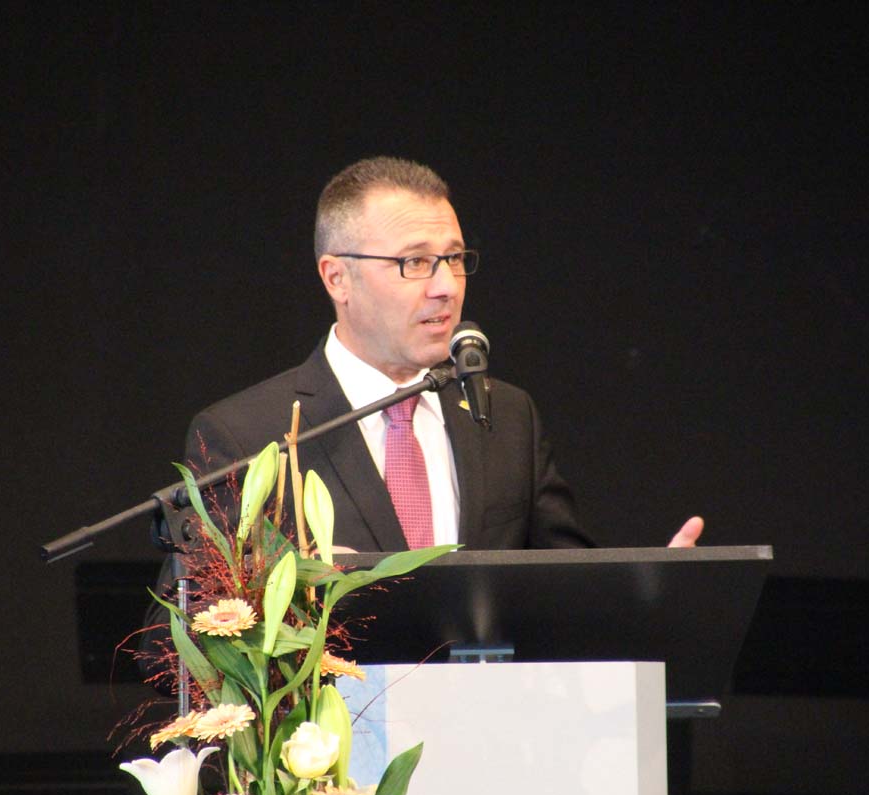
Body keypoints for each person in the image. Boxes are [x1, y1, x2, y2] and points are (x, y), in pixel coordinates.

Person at [176, 155, 703, 551]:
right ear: (337, 277)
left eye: (453, 258)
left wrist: (647, 595)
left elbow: (565, 590)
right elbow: (183, 628)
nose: (446, 287)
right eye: (414, 263)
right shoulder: (247, 437)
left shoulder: (507, 417)